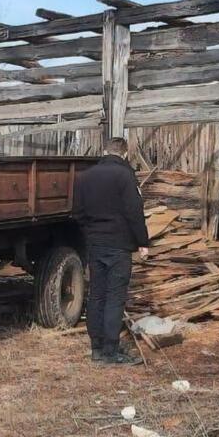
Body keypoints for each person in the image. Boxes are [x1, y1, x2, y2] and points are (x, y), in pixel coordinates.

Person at [72, 137, 150, 364]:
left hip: (95, 244)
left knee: (96, 295)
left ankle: (96, 349)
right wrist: (142, 242)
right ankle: (111, 351)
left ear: (104, 150)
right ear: (125, 154)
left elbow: (77, 212)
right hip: (119, 244)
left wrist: (91, 234)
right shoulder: (125, 175)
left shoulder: (85, 177)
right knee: (115, 297)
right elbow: (134, 211)